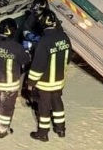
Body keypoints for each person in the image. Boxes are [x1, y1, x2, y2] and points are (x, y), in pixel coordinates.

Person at [26, 9, 71, 142]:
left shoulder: (43, 42)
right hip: (59, 81)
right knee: (57, 102)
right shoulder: (64, 37)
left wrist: (31, 82)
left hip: (45, 83)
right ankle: (61, 129)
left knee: (44, 106)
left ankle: (43, 133)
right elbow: (68, 58)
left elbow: (38, 65)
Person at [0, 18, 30, 138]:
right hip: (10, 85)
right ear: (13, 31)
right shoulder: (17, 47)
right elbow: (25, 62)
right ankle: (2, 129)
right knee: (6, 107)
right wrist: (27, 52)